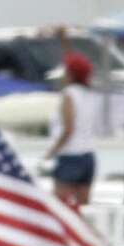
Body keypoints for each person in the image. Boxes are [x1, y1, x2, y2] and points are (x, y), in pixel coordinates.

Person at [44, 52, 102, 208]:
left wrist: (52, 151)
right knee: (83, 207)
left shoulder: (69, 95)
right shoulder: (91, 95)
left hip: (70, 155)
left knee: (61, 206)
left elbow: (69, 129)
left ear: (70, 74)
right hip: (88, 154)